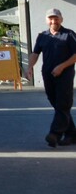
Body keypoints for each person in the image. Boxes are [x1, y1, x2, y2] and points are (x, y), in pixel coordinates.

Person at [27, 8, 76, 147]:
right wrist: (29, 67)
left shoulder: (69, 34)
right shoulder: (43, 36)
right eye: (51, 18)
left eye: (56, 18)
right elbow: (35, 54)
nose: (53, 21)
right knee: (57, 104)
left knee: (63, 104)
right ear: (47, 20)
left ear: (61, 19)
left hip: (65, 75)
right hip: (48, 75)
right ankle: (72, 134)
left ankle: (54, 134)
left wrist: (62, 66)